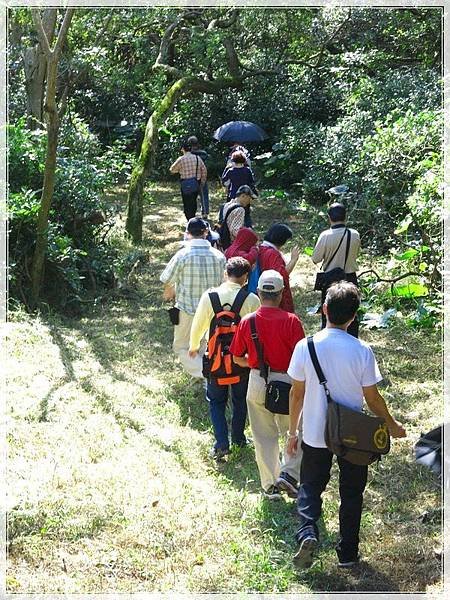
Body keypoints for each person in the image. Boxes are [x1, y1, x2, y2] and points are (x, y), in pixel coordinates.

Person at [287, 281, 406, 569]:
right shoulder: (362, 350)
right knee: (352, 492)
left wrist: (293, 432)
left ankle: (308, 532)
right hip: (353, 434)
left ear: (324, 309)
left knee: (310, 486)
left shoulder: (306, 346)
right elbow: (372, 397)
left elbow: (297, 393)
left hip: (315, 431)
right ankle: (348, 553)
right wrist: (390, 424)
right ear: (354, 316)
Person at [230, 270, 306, 499]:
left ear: (258, 293)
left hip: (257, 381)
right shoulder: (292, 321)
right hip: (287, 383)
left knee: (263, 436)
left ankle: (270, 486)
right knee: (295, 431)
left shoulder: (248, 321)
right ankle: (289, 473)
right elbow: (301, 357)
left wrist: (254, 363)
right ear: (281, 294)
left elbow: (236, 357)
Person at [189, 257, 260, 460]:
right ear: (246, 278)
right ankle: (238, 438)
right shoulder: (252, 300)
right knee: (240, 401)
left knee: (216, 402)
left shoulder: (209, 296)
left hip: (215, 362)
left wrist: (194, 346)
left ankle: (221, 444)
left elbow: (198, 324)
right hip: (241, 363)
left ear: (225, 274)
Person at [160, 217, 226, 378]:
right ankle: (207, 372)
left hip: (187, 310)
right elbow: (225, 283)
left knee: (182, 346)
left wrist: (169, 293)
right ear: (206, 233)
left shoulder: (182, 255)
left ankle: (205, 375)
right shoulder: (219, 256)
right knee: (204, 346)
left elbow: (167, 279)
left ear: (188, 233)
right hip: (212, 311)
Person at [312, 203, 361, 337]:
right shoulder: (354, 234)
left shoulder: (325, 235)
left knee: (329, 315)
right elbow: (356, 254)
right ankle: (351, 340)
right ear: (346, 217)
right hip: (350, 277)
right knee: (351, 313)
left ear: (329, 218)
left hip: (331, 279)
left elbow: (315, 258)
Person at [258, 223, 300, 313]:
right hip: (274, 298)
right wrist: (294, 260)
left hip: (263, 294)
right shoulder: (273, 254)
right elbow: (281, 276)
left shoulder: (261, 248)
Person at [170, 141, 207, 221]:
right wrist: (202, 181)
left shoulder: (181, 159)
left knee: (186, 203)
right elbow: (204, 170)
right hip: (195, 183)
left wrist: (179, 170)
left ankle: (189, 219)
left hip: (185, 184)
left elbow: (172, 170)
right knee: (193, 201)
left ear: (183, 149)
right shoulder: (197, 158)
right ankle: (193, 217)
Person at [187, 135, 210, 219]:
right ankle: (205, 213)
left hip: (191, 177)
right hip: (202, 176)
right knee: (204, 195)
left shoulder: (188, 155)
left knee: (191, 196)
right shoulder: (204, 153)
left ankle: (191, 213)